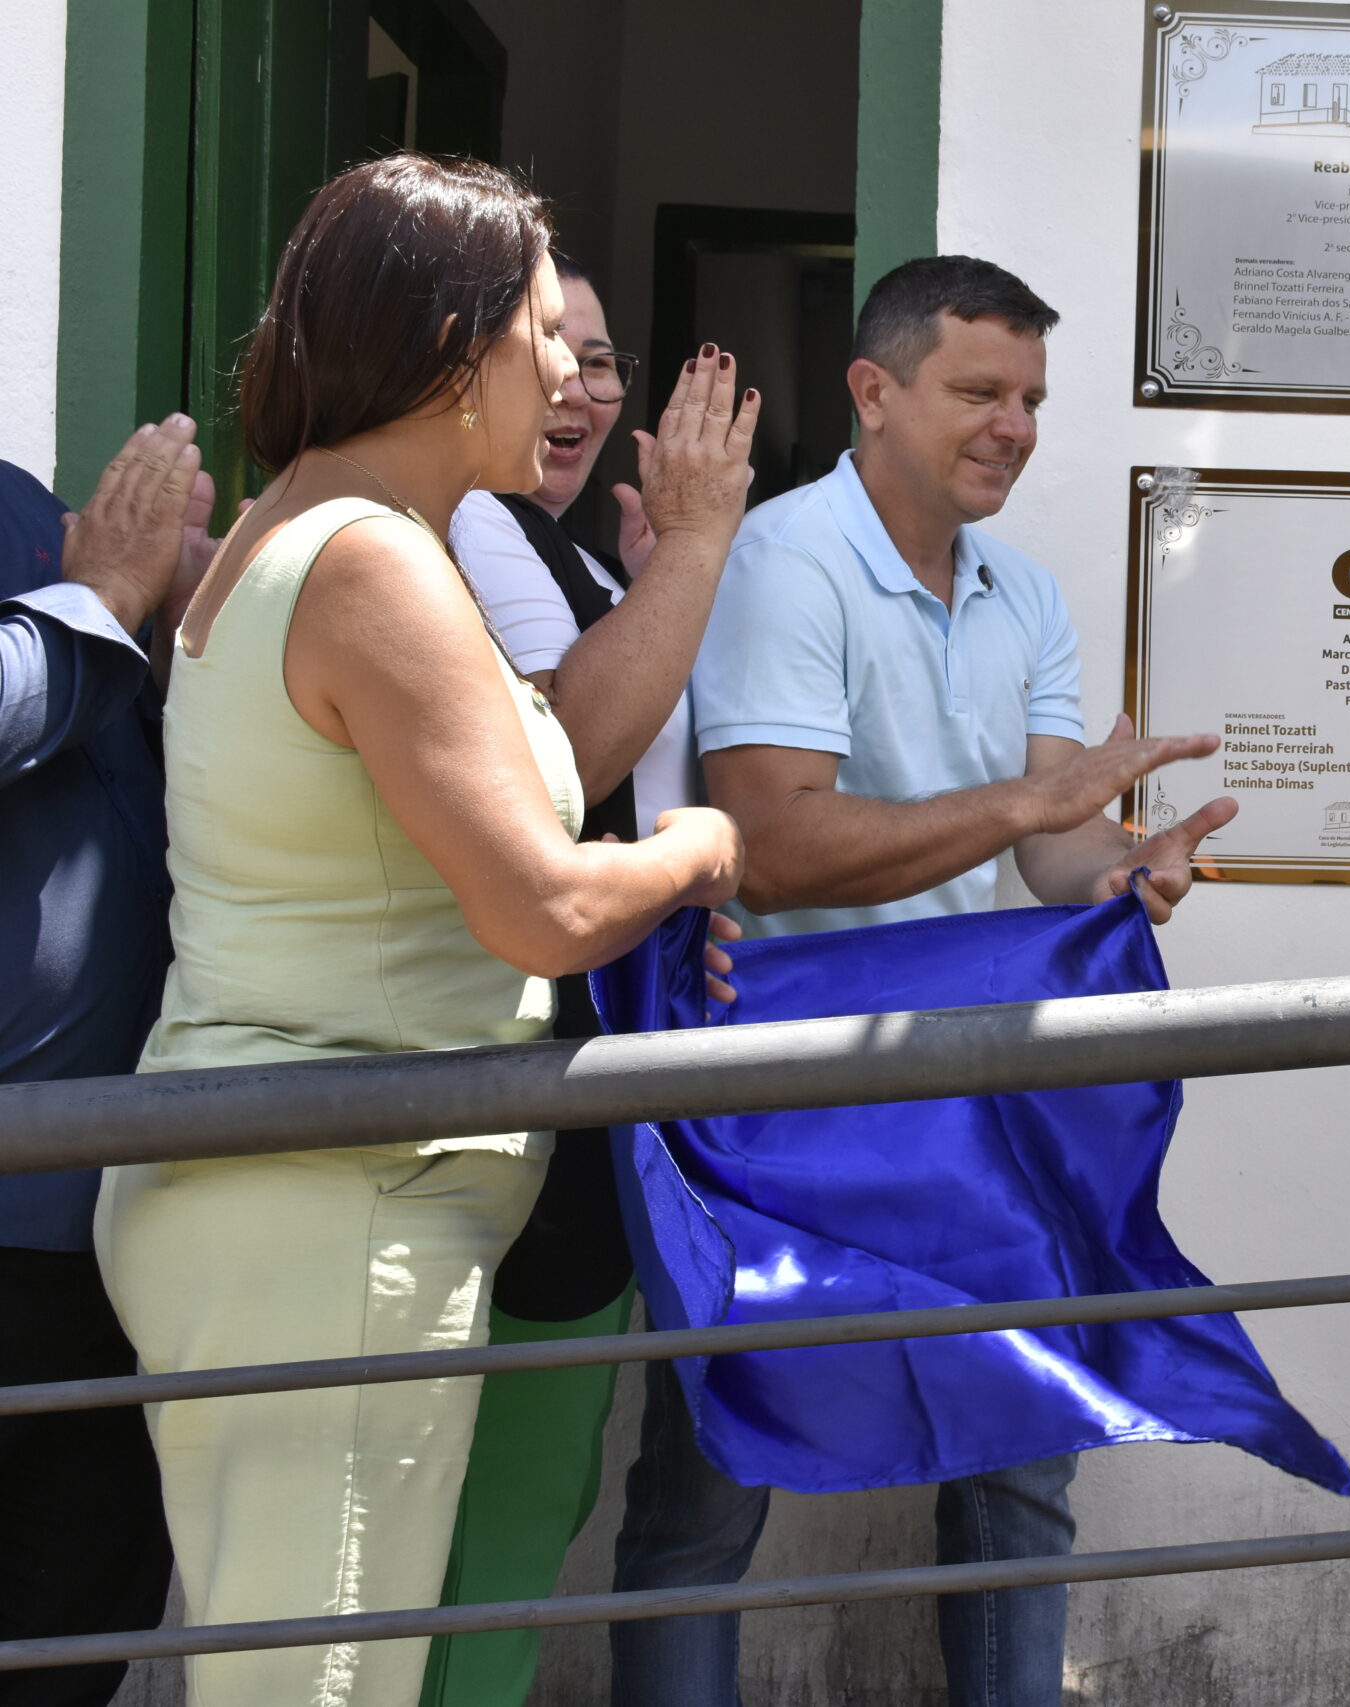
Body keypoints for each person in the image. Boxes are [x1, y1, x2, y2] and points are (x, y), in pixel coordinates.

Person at [92, 153, 746, 1707]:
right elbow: (540, 898)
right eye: (544, 330)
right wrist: (700, 852)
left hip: (330, 1193)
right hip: (331, 1207)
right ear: (455, 346)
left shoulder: (331, 528)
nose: (570, 371)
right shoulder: (372, 558)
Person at [610, 255, 1234, 1707]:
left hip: (977, 1097)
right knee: (709, 1494)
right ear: (873, 393)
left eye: (1029, 398)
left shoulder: (1026, 587)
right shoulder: (780, 558)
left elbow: (1052, 846)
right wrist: (1036, 816)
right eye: (978, 390)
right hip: (774, 1102)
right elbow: (771, 843)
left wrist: (1127, 869)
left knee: (1023, 1476)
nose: (1013, 424)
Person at [421, 249, 754, 1706]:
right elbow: (579, 772)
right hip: (508, 1093)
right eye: (550, 346)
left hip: (588, 1094)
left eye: (604, 361)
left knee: (529, 1505)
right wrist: (691, 547)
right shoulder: (467, 533)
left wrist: (686, 897)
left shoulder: (570, 554)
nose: (580, 385)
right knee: (492, 1520)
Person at [0, 421, 212, 1705]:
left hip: (110, 1225)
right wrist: (108, 598)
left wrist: (180, 626)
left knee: (82, 1621)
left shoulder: (21, 500)